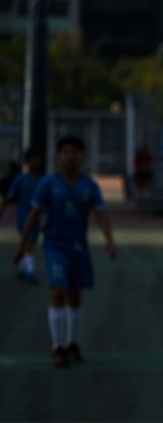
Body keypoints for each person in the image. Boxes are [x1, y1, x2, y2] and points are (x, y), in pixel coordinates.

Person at [13, 136, 116, 367]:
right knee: (58, 289)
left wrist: (109, 240)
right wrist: (21, 245)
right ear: (59, 156)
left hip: (78, 247)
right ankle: (57, 345)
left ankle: (71, 343)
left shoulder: (89, 185)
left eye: (75, 152)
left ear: (82, 157)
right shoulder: (49, 183)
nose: (71, 156)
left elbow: (100, 214)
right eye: (66, 152)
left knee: (75, 295)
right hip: (54, 245)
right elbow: (34, 215)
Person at [0, 148, 44, 282]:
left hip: (36, 219)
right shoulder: (20, 179)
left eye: (37, 158)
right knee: (28, 242)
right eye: (31, 159)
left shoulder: (43, 180)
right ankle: (30, 271)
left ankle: (22, 267)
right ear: (26, 161)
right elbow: (8, 197)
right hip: (23, 216)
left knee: (30, 242)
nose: (34, 161)